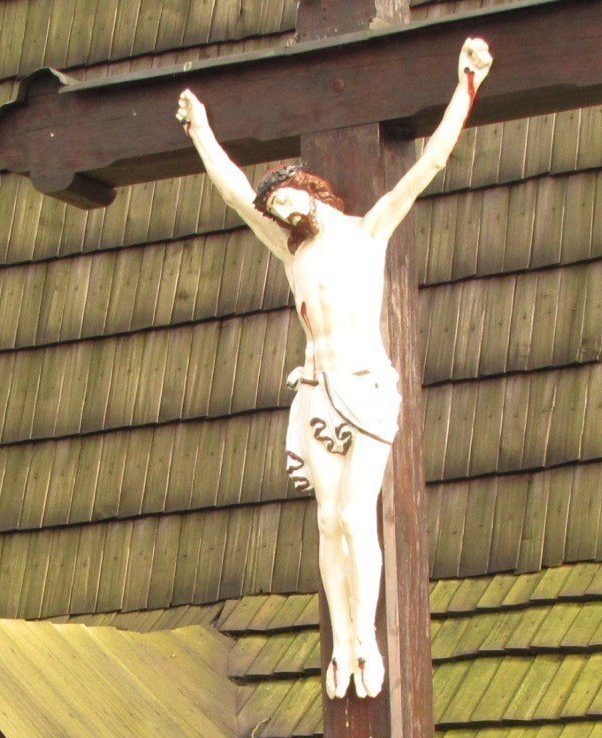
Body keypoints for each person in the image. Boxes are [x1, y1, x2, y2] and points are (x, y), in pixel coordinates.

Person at [176, 36, 494, 700]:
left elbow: (430, 163)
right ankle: (342, 644)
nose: (280, 213)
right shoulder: (290, 252)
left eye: (285, 201)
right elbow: (235, 194)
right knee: (326, 521)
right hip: (316, 391)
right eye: (276, 212)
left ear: (305, 189)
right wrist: (201, 131)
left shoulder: (367, 231)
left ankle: (366, 639)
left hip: (365, 387)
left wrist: (467, 84)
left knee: (355, 518)